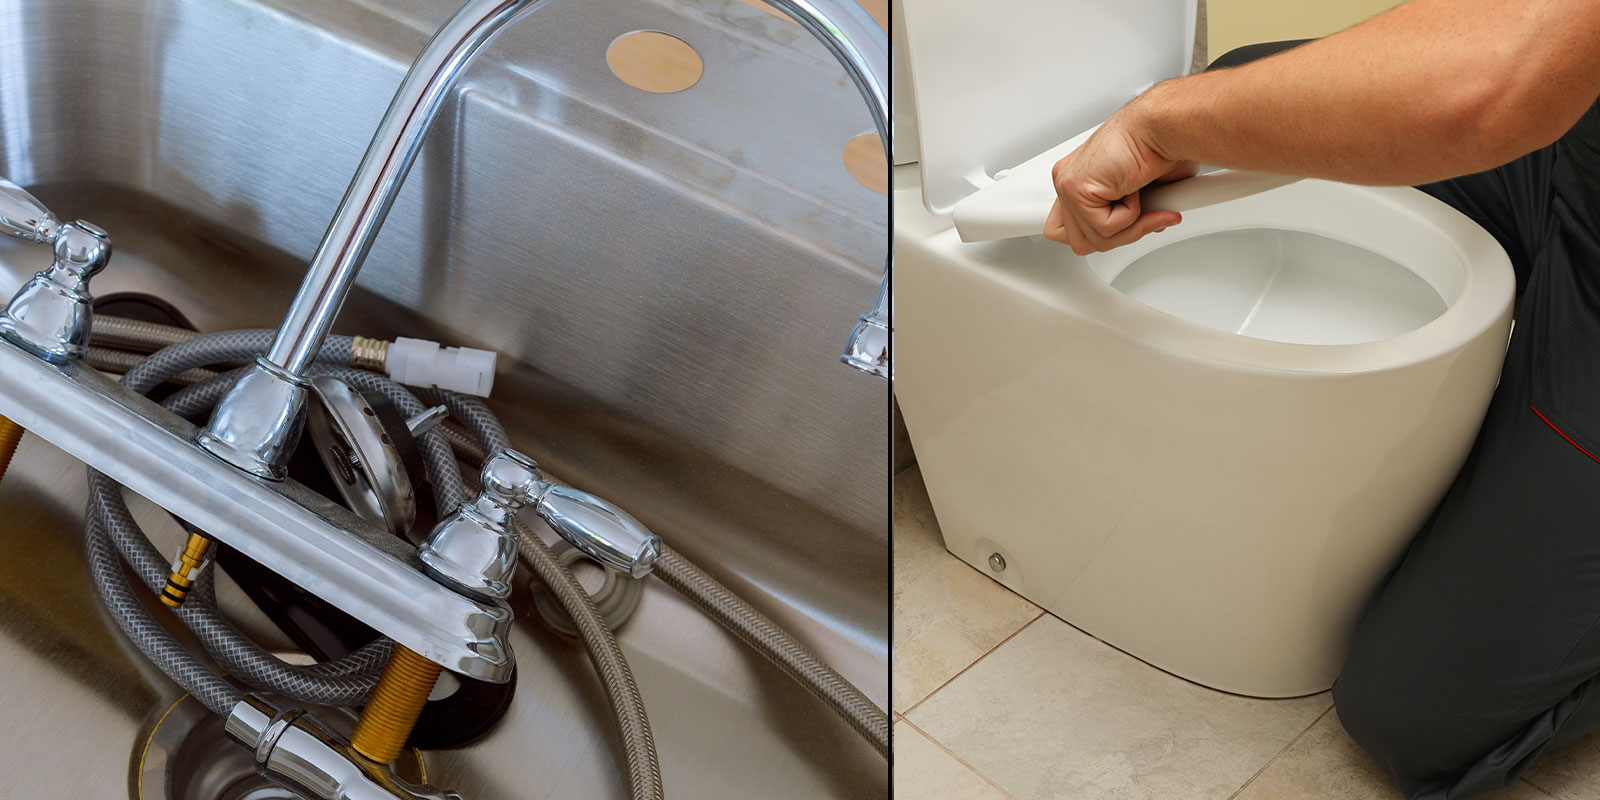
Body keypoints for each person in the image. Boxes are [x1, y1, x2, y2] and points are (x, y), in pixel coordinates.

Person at [1044, 3, 1600, 799]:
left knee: (1409, 712)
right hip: (1577, 142)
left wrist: (1157, 125)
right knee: (1241, 95)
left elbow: (1489, 90)